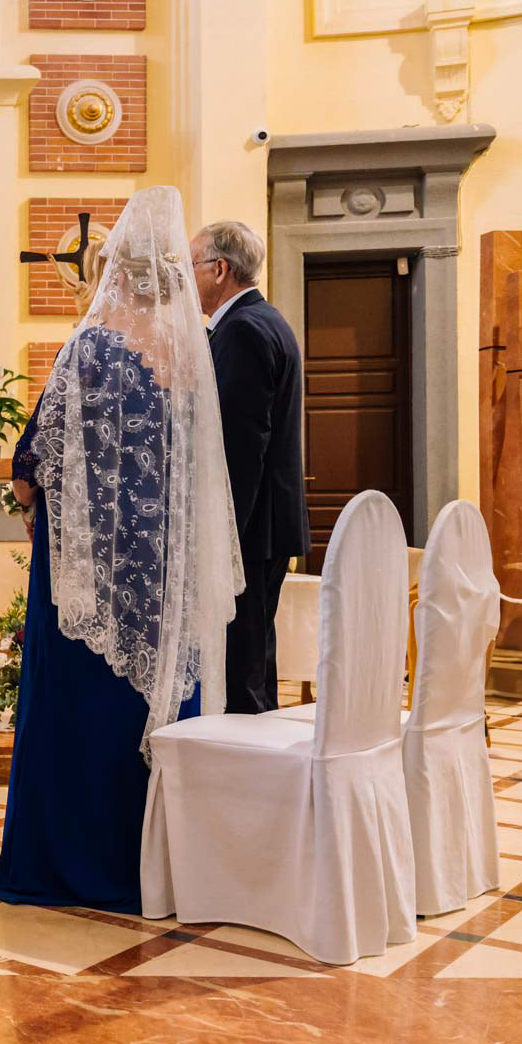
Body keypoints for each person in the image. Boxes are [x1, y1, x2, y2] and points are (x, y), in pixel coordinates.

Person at [0, 187, 243, 914]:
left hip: (89, 570)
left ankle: (75, 860)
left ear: (116, 273)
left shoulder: (91, 347)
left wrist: (29, 503)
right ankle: (162, 861)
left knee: (80, 708)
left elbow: (34, 463)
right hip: (163, 571)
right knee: (153, 698)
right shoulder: (190, 354)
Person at [190, 219, 308, 714]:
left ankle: (245, 754)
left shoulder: (242, 330)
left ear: (219, 269)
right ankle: (257, 748)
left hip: (249, 531)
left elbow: (242, 446)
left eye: (192, 265)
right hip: (265, 526)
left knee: (241, 669)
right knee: (253, 659)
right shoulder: (264, 320)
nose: (187, 278)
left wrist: (223, 539)